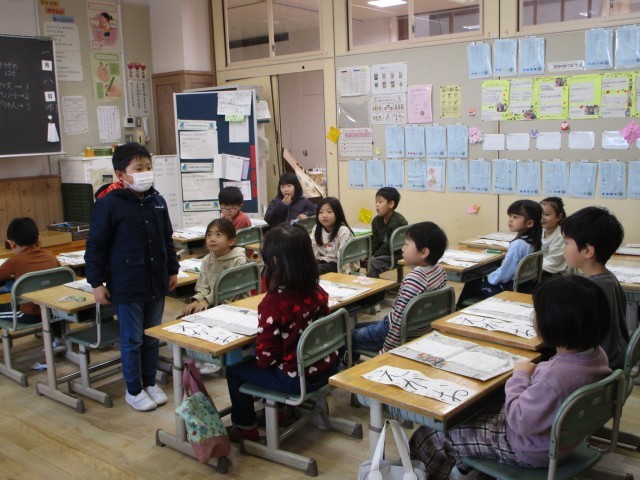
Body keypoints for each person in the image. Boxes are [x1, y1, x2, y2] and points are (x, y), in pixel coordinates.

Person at [409, 275, 612, 480]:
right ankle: (465, 468)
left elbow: (518, 419)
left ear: (555, 325)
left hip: (526, 447)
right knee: (472, 410)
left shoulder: (554, 378)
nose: (533, 318)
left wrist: (520, 376)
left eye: (537, 313)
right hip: (558, 442)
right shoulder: (597, 355)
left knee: (434, 433)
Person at [85, 142, 179, 412]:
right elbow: (96, 247)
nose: (145, 172)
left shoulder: (157, 201)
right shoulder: (108, 205)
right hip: (127, 284)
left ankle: (149, 382)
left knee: (151, 336)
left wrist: (172, 269)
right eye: (138, 168)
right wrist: (96, 283)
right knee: (132, 340)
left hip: (156, 280)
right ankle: (134, 389)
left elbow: (166, 239)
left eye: (148, 167)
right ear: (120, 175)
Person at [225, 224, 337, 442]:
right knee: (281, 356)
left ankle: (246, 427)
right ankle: (281, 412)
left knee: (235, 370)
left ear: (274, 261)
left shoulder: (274, 304)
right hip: (324, 368)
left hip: (296, 380)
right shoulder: (318, 292)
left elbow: (265, 359)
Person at [352, 222, 447, 356]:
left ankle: (345, 362)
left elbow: (398, 323)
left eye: (407, 245)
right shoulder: (439, 271)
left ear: (424, 252)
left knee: (346, 337)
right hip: (421, 331)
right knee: (358, 327)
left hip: (395, 334)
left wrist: (387, 352)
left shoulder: (414, 280)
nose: (402, 249)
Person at [561, 206, 629, 369]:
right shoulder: (609, 278)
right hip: (614, 359)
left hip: (597, 366)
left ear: (588, 251)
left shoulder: (589, 290)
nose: (564, 249)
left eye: (566, 243)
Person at [456, 200, 542, 308]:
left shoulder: (518, 245)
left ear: (529, 223)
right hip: (525, 287)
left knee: (473, 280)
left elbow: (505, 274)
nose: (510, 220)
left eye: (515, 217)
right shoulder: (534, 240)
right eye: (510, 216)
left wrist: (489, 277)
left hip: (507, 290)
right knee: (485, 274)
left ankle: (460, 309)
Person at [0, 217, 62, 350]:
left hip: (30, 315)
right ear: (38, 238)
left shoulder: (14, 261)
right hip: (54, 311)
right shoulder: (50, 255)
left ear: (12, 243)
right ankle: (54, 337)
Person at [182, 218, 248, 316]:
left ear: (231, 241)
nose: (212, 239)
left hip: (235, 306)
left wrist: (207, 301)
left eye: (218, 235)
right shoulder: (206, 260)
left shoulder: (239, 260)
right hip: (213, 302)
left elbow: (230, 290)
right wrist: (197, 301)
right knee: (185, 316)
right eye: (209, 235)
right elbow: (203, 287)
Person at [367, 186, 408, 278]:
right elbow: (375, 241)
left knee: (373, 263)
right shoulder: (376, 220)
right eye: (376, 202)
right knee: (361, 260)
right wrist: (369, 253)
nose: (377, 205)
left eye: (380, 202)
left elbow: (390, 245)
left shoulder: (399, 221)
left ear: (391, 204)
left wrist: (375, 255)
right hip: (383, 253)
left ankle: (376, 287)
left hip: (396, 254)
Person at [311, 197, 355, 274]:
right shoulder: (316, 228)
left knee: (315, 270)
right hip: (323, 261)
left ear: (337, 213)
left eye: (329, 212)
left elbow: (343, 257)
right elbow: (313, 250)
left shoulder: (343, 231)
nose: (324, 215)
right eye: (321, 212)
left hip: (337, 264)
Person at [540, 197, 568, 278]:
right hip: (541, 269)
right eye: (540, 214)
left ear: (558, 217)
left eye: (547, 214)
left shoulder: (561, 236)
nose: (542, 217)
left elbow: (553, 262)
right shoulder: (539, 231)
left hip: (557, 273)